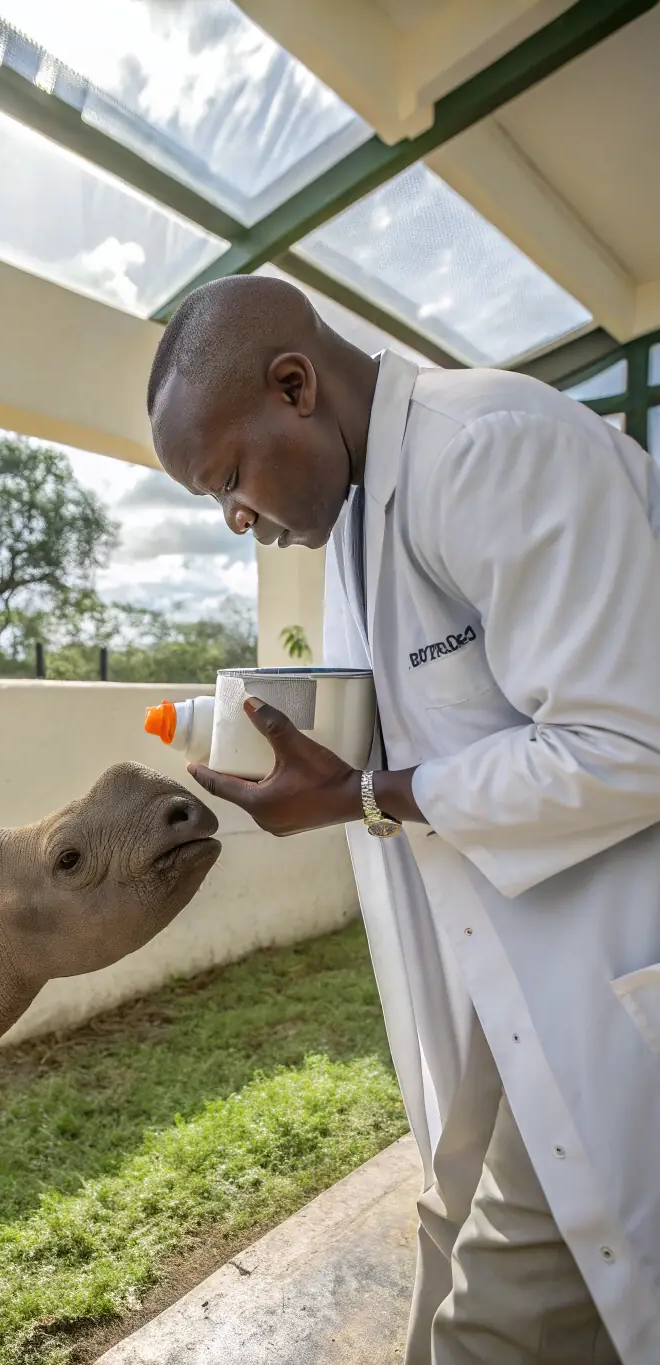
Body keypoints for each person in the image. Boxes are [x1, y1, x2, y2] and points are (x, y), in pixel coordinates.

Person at [146, 274, 660, 1365]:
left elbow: (630, 745)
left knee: (496, 1324)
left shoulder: (493, 448)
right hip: (496, 975)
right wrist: (315, 761)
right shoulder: (353, 526)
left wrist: (360, 797)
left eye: (228, 478)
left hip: (606, 974)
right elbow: (446, 728)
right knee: (444, 1224)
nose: (236, 517)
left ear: (295, 385)